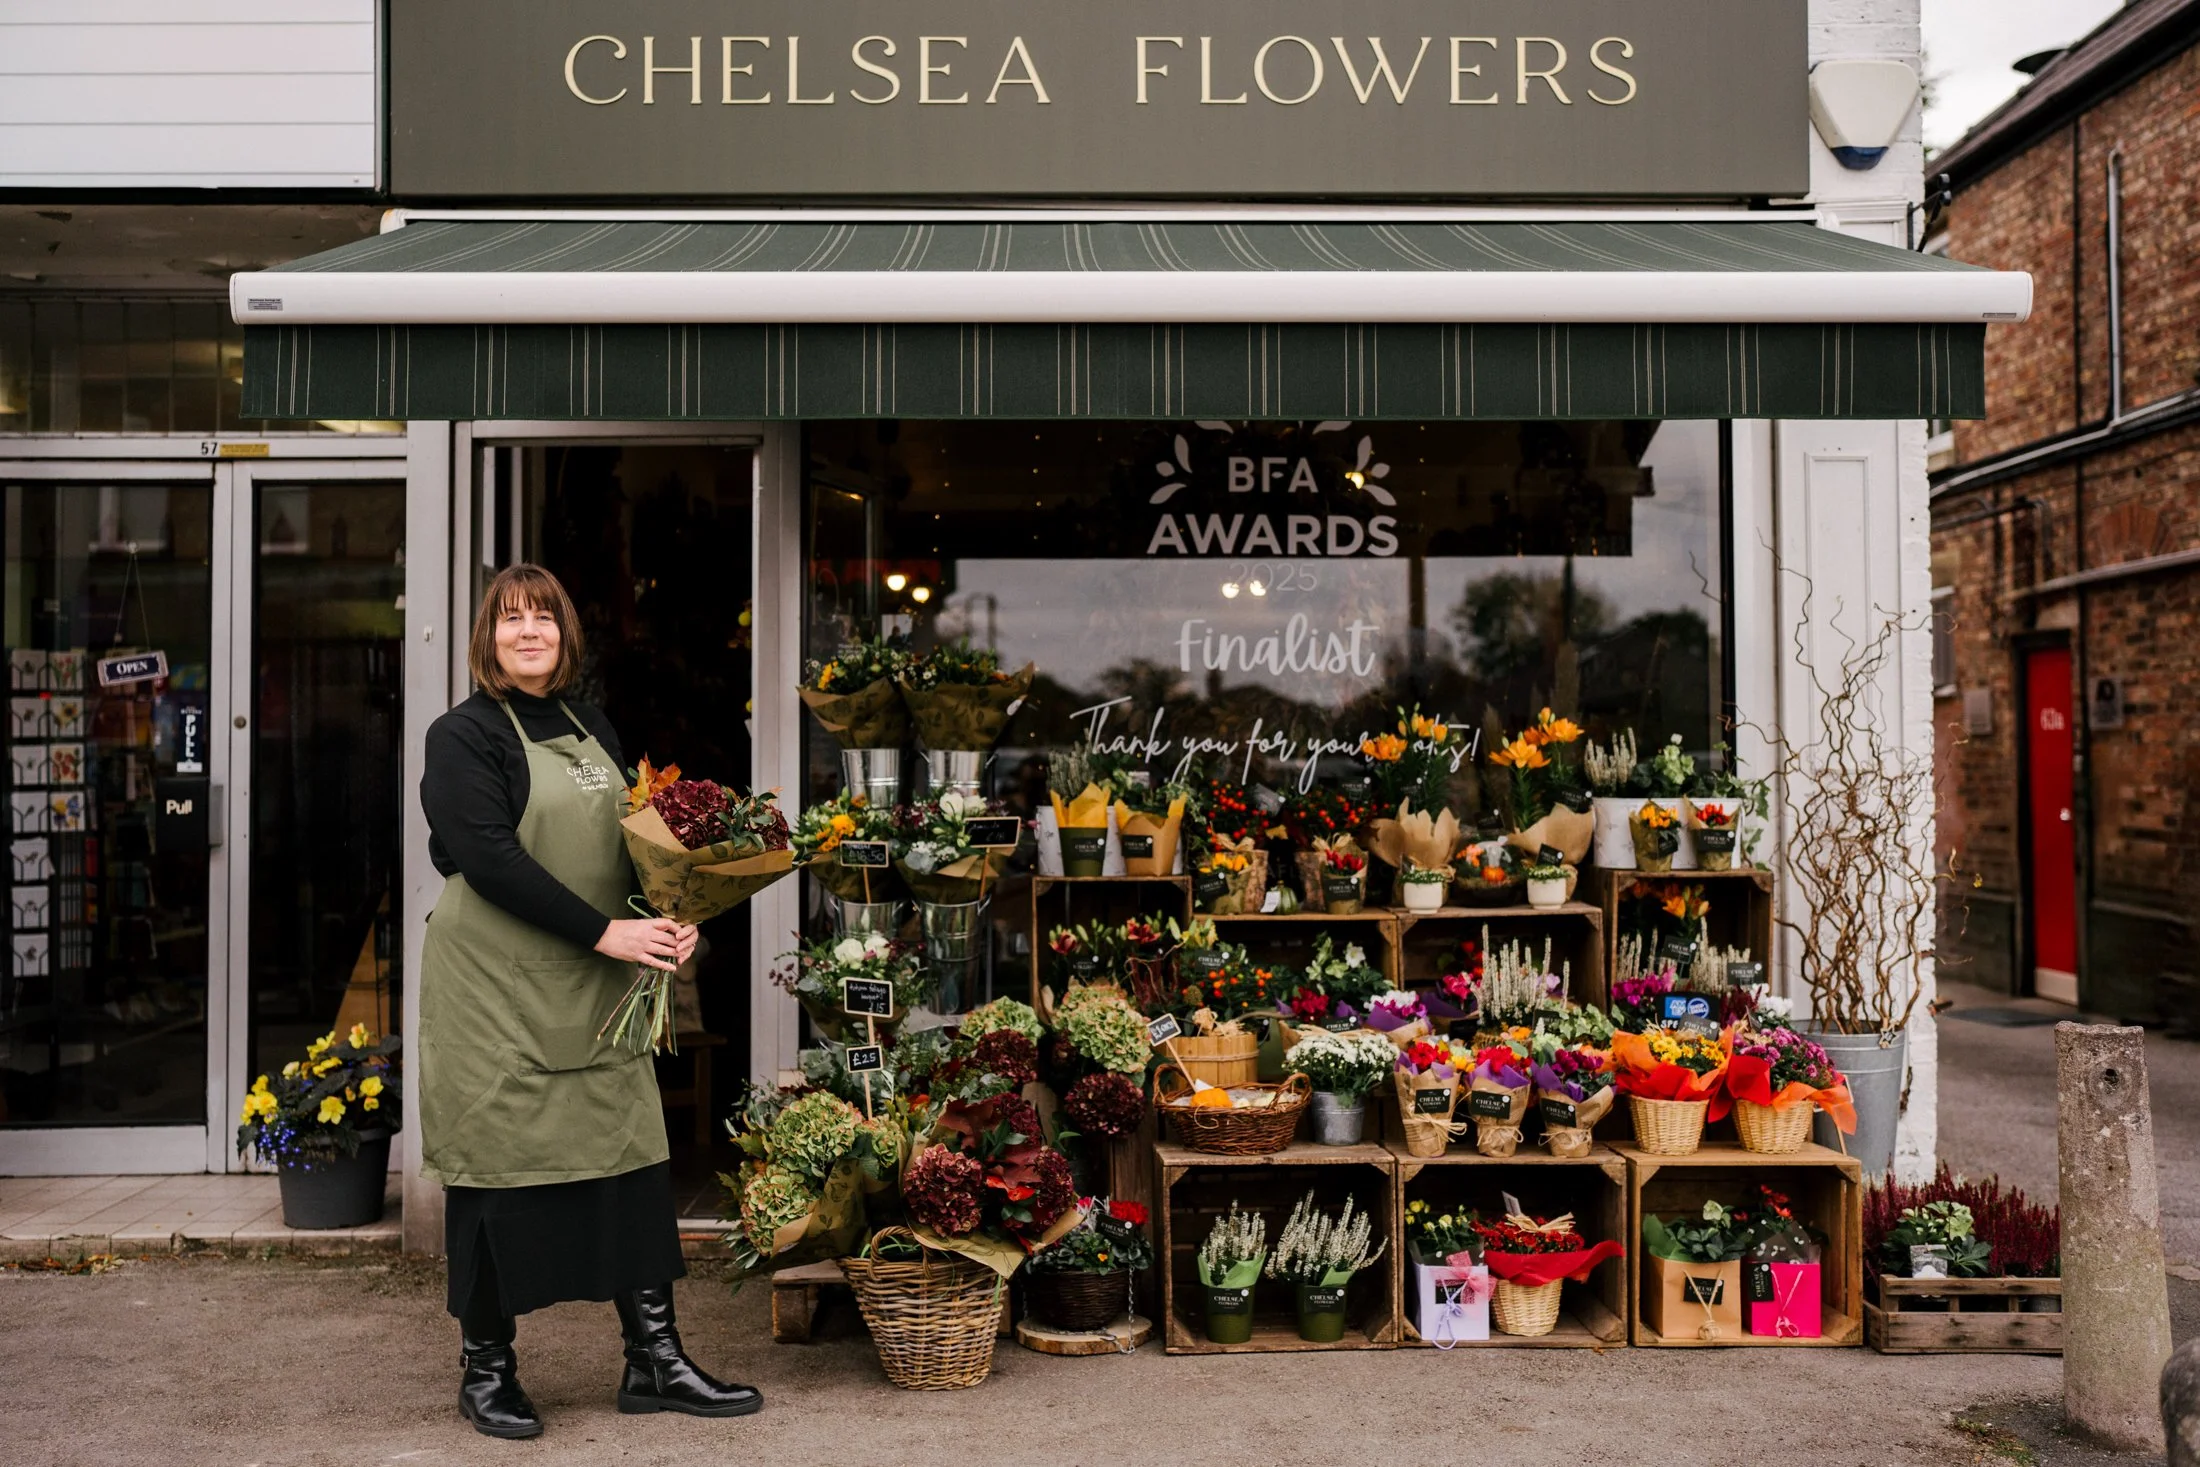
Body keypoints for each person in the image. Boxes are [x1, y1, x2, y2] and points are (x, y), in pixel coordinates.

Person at [419, 563, 760, 1439]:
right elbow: (489, 859)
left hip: (593, 983)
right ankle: (486, 1370)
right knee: (495, 1174)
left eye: (544, 616)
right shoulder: (461, 736)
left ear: (566, 634)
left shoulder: (590, 725)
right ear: (487, 637)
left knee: (631, 1161)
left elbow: (631, 850)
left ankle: (655, 1360)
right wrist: (609, 933)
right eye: (510, 618)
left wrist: (671, 914)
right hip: (495, 989)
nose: (528, 631)